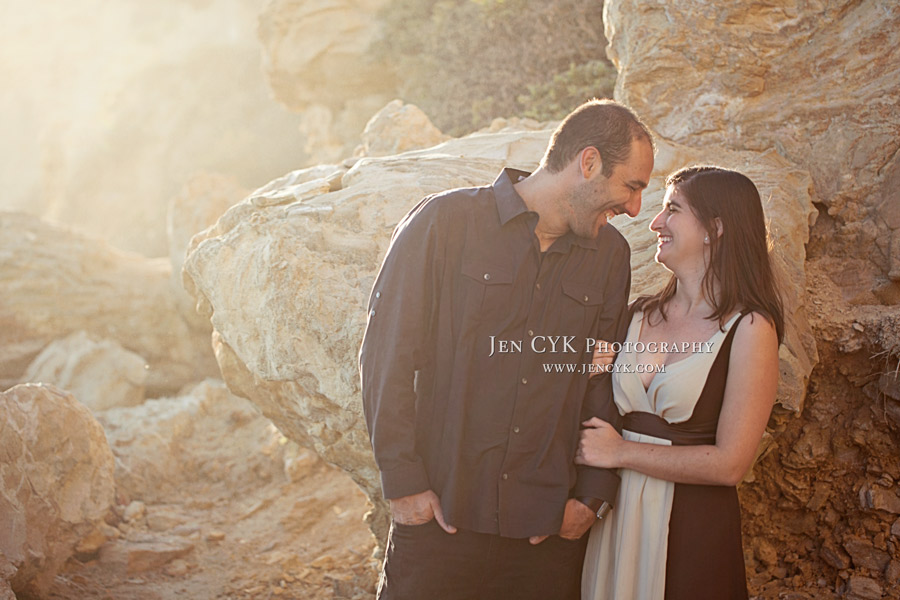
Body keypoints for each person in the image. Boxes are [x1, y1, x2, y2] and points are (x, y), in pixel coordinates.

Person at [359, 99, 655, 600]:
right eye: (632, 185)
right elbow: (386, 356)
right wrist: (403, 483)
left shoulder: (611, 257)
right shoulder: (445, 223)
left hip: (545, 537)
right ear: (588, 163)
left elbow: (601, 380)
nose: (634, 209)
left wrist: (590, 498)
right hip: (442, 522)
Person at [576, 165, 784, 600]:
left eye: (672, 209)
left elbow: (731, 464)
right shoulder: (636, 315)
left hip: (691, 531)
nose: (655, 222)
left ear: (715, 227)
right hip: (613, 522)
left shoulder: (749, 328)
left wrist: (620, 451)